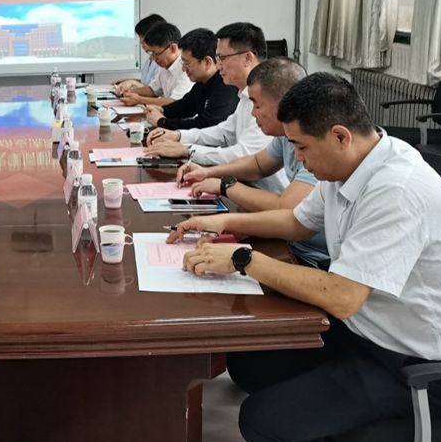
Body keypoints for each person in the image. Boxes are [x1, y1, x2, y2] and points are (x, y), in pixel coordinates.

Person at [169, 73, 441, 442]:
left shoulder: (396, 189)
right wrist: (223, 221)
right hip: (376, 334)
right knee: (253, 362)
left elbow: (342, 297)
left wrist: (244, 260)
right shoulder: (354, 163)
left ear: (340, 135)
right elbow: (297, 222)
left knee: (264, 421)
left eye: (302, 147)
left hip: (429, 371)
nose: (297, 160)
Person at [174, 57, 328, 268]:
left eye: (257, 104)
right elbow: (258, 164)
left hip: (311, 258)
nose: (253, 113)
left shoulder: (317, 145)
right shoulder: (286, 136)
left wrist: (225, 186)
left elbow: (286, 208)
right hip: (289, 242)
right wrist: (209, 173)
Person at [145, 22, 286, 192]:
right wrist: (179, 135)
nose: (218, 66)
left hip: (264, 193)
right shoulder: (244, 94)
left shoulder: (268, 98)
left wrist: (187, 150)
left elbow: (244, 154)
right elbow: (223, 132)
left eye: (222, 58)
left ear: (248, 59)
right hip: (240, 184)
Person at [141, 28, 238, 131]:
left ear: (207, 62)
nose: (183, 69)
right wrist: (162, 110)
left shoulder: (225, 85)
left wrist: (163, 122)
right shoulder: (202, 83)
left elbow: (206, 125)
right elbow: (185, 106)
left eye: (186, 63)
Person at [116, 21, 193, 106]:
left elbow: (175, 102)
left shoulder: (186, 68)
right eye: (151, 53)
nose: (154, 58)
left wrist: (139, 100)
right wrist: (129, 92)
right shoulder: (164, 66)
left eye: (156, 53)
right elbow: (153, 90)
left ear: (173, 48)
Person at [114, 13, 166, 92]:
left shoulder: (163, 62)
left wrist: (133, 83)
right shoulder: (150, 59)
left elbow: (157, 92)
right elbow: (148, 83)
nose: (141, 42)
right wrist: (131, 81)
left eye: (144, 37)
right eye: (140, 37)